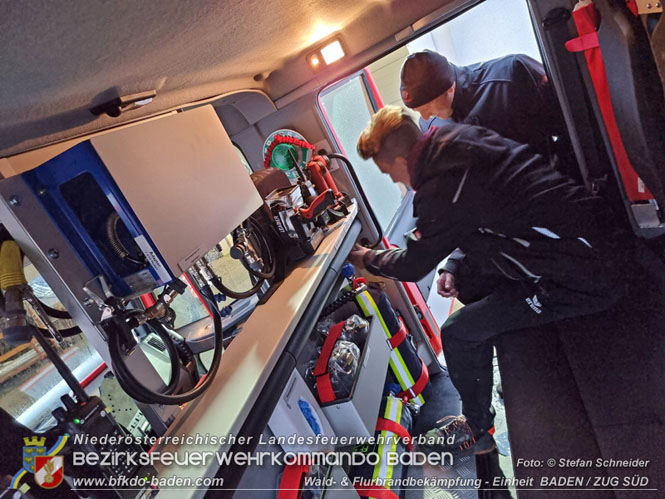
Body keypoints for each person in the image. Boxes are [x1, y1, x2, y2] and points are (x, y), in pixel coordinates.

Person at [349, 105, 632, 454]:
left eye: (388, 171)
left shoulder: (438, 190)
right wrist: (454, 264)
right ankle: (497, 373)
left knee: (456, 331)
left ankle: (477, 431)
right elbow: (489, 207)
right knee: (467, 281)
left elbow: (411, 265)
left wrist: (366, 258)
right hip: (595, 237)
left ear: (402, 160)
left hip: (583, 276)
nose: (393, 180)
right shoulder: (457, 138)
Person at [400, 50, 561, 157]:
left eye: (427, 107)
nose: (425, 117)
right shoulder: (431, 127)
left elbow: (571, 125)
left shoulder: (512, 75)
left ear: (448, 88)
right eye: (418, 111)